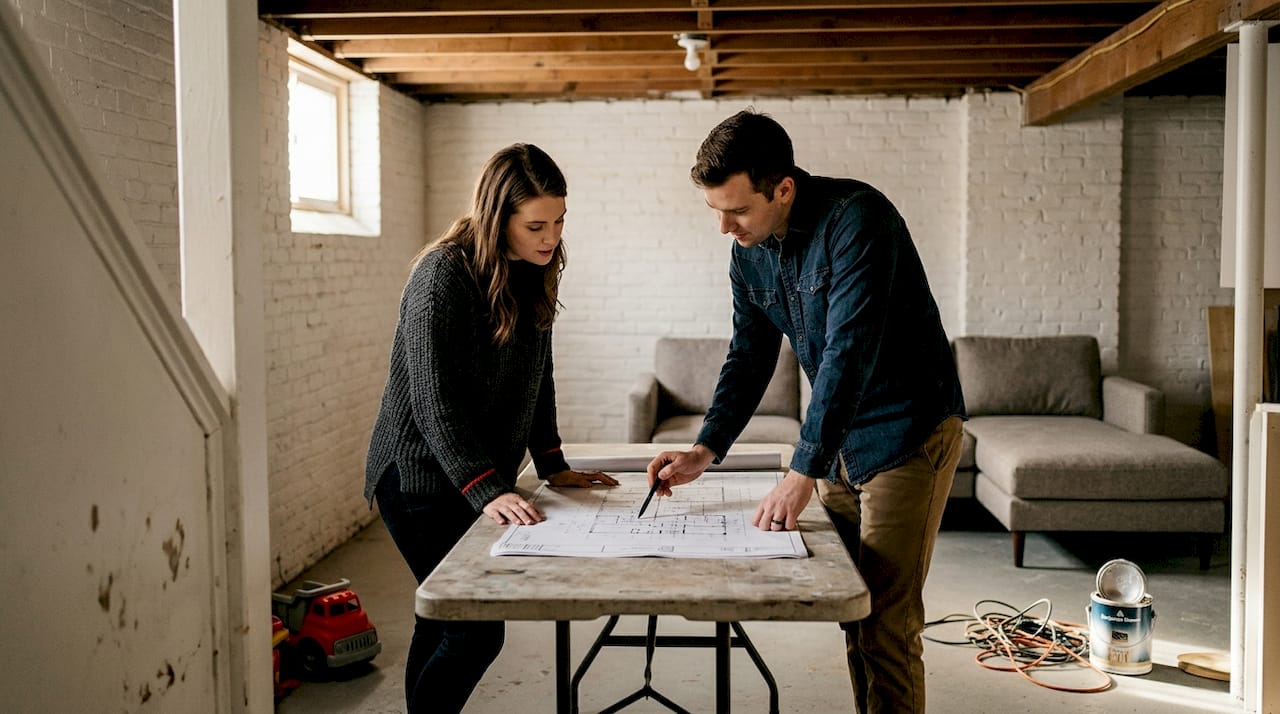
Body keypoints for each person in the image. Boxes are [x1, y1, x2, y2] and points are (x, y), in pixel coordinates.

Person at [646, 110, 966, 714]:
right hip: (839, 440)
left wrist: (800, 473)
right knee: (854, 611)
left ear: (783, 188)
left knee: (887, 625)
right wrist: (705, 449)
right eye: (715, 209)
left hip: (906, 430)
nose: (723, 226)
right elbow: (748, 356)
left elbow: (849, 352)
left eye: (736, 209)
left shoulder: (858, 219)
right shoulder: (749, 252)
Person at [363, 143, 618, 714]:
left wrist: (552, 465)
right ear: (496, 215)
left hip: (473, 474)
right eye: (535, 225)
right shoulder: (441, 277)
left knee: (441, 619)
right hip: (418, 480)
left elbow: (537, 376)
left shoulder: (533, 267)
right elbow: (435, 400)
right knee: (474, 627)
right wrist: (489, 489)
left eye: (558, 221)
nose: (550, 236)